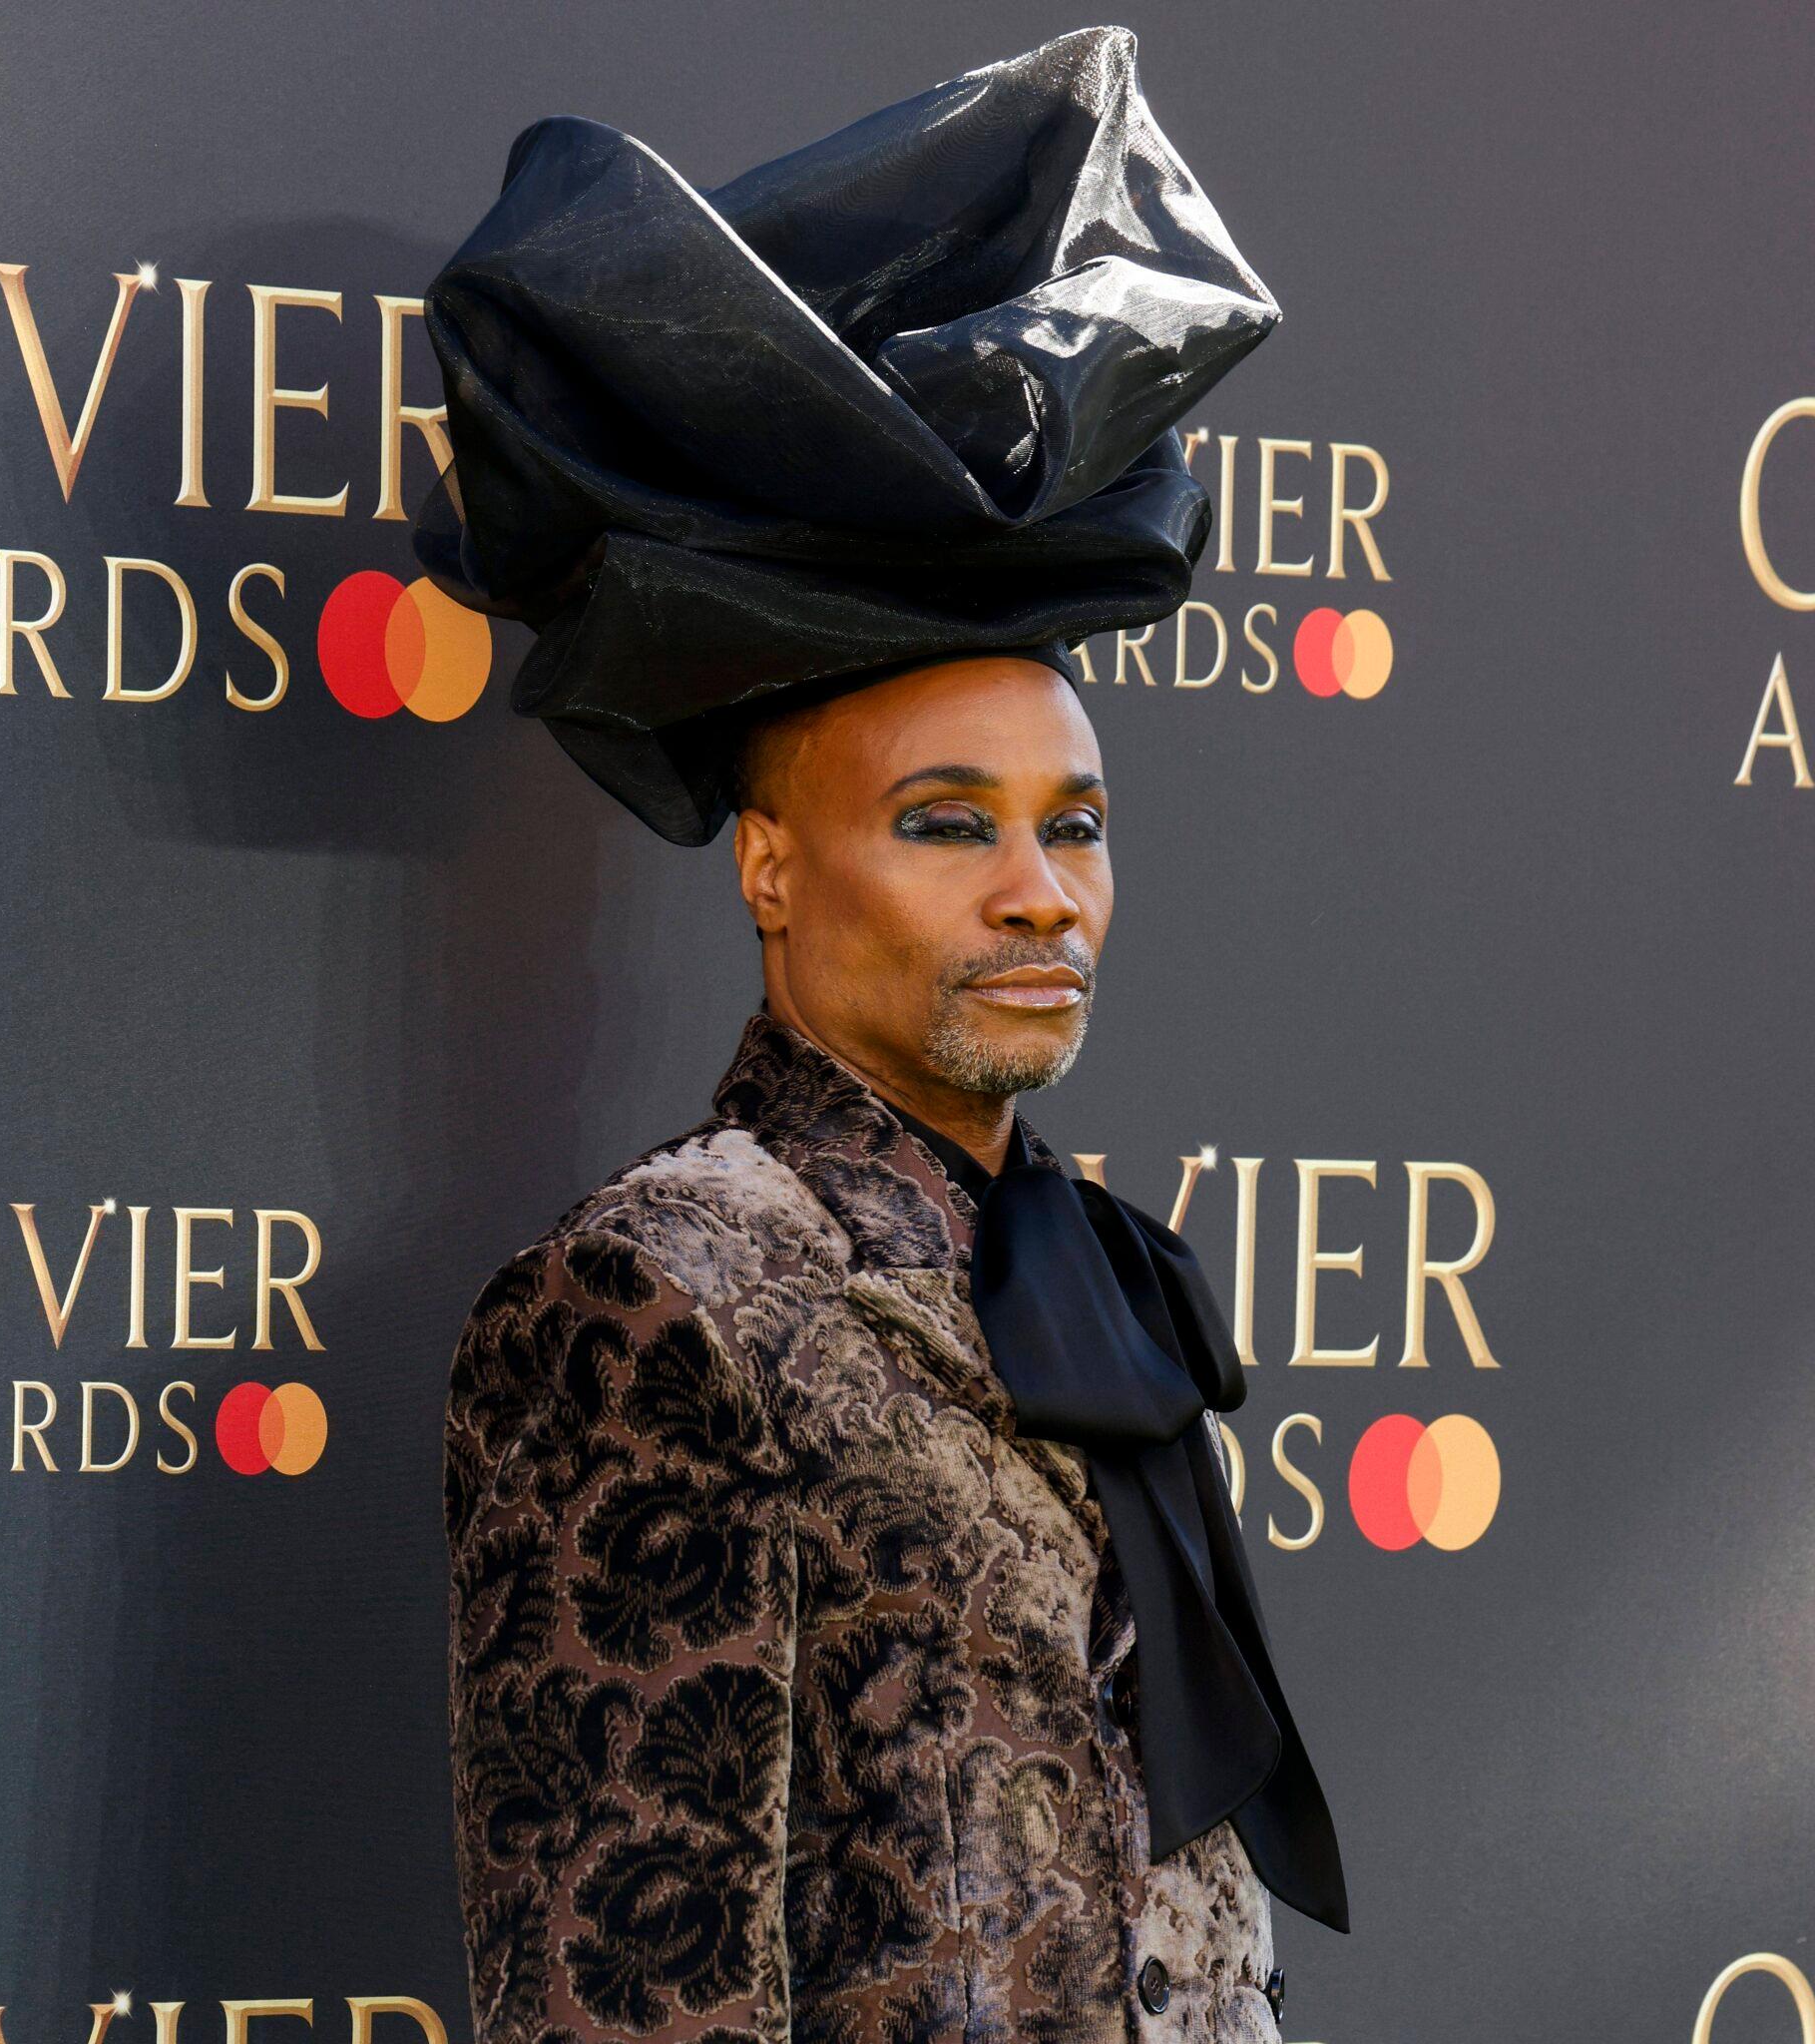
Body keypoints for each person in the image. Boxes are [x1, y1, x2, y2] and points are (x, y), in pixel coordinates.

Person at [426, 27, 1348, 2044]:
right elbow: (626, 2005)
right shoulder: (647, 1301)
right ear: (768, 867)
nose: (1040, 891)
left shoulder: (1101, 1276)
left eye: (1073, 826)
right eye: (946, 826)